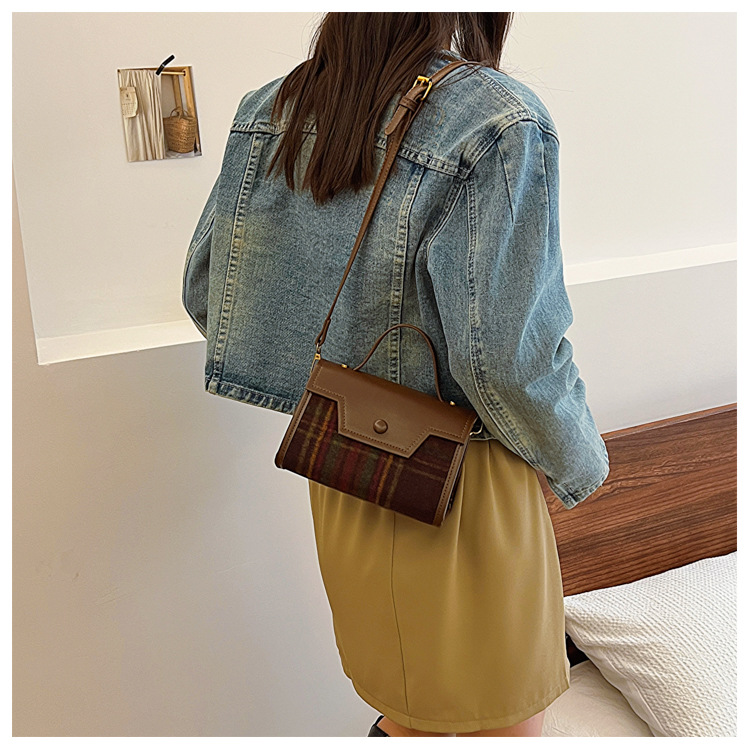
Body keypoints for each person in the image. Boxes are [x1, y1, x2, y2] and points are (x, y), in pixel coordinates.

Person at [183, 12, 610, 738]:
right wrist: (583, 465)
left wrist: (351, 370)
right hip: (461, 479)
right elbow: (509, 359)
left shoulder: (272, 107)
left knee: (407, 703)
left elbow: (208, 291)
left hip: (346, 469)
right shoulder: (496, 120)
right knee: (498, 717)